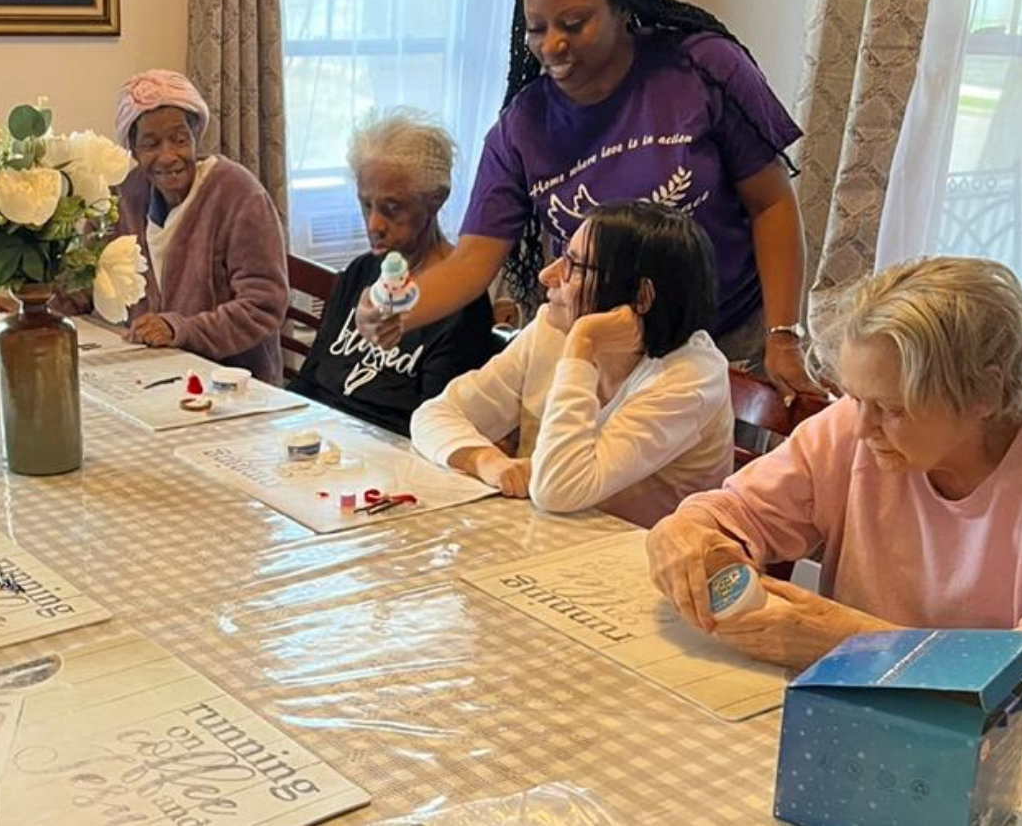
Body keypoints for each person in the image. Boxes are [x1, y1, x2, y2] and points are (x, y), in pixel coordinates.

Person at [645, 257, 1022, 731]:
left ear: (985, 391)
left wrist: (847, 641)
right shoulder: (856, 424)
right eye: (856, 398)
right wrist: (686, 532)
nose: (862, 428)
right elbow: (734, 512)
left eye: (894, 409)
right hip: (911, 711)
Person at [358, 0, 819, 402]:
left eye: (574, 24)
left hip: (727, 339)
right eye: (536, 28)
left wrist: (782, 335)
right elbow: (473, 261)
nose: (552, 45)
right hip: (606, 355)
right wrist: (397, 308)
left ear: (622, 5)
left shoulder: (703, 68)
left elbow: (770, 204)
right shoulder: (521, 129)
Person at [411, 201, 732, 526]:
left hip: (643, 551)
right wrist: (486, 461)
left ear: (641, 296)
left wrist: (582, 344)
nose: (547, 275)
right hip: (550, 533)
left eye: (575, 266)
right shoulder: (551, 329)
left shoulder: (691, 377)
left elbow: (558, 489)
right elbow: (434, 414)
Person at [287, 109, 496, 435]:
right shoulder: (362, 271)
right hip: (321, 439)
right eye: (366, 205)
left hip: (390, 451)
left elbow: (434, 428)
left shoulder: (461, 303)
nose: (374, 224)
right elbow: (310, 380)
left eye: (392, 207)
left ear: (435, 200)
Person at [110, 69, 290, 382]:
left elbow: (263, 305)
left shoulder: (239, 194)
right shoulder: (127, 193)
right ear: (134, 151)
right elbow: (87, 276)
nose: (168, 156)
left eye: (180, 140)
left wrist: (180, 329)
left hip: (230, 382)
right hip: (151, 373)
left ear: (196, 137)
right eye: (150, 144)